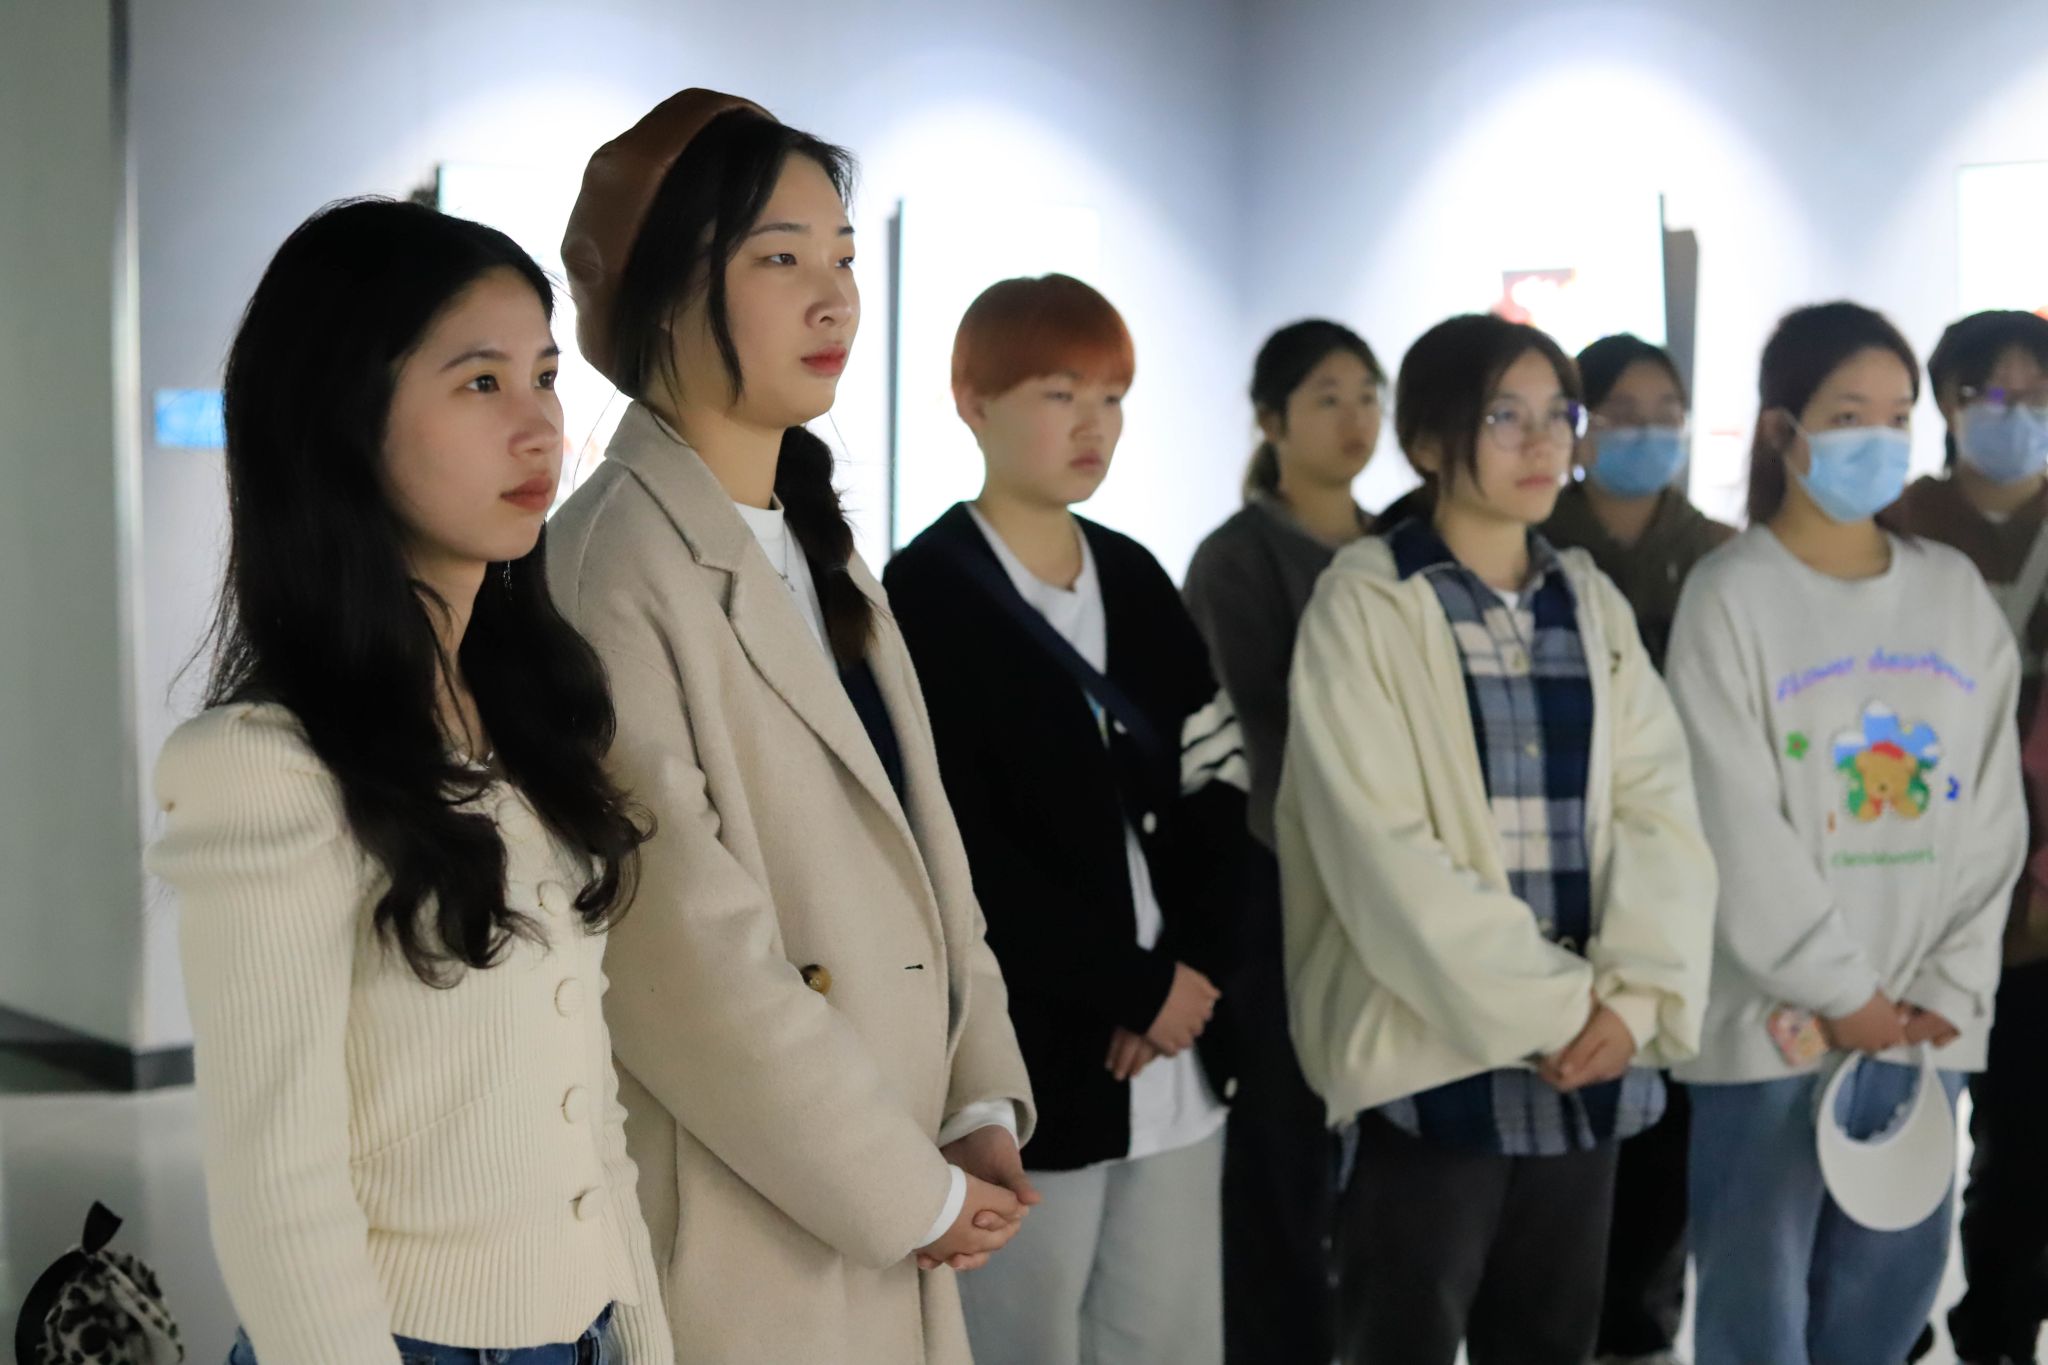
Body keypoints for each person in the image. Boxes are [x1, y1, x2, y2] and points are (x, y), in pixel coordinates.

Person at [546, 90, 1036, 1364]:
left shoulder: (818, 548)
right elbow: (684, 961)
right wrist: (908, 1192)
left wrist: (978, 1097)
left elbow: (930, 864)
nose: (835, 301)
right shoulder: (607, 564)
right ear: (662, 288)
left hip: (890, 1172)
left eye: (843, 259)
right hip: (753, 1217)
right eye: (779, 260)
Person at [148, 198, 670, 1363]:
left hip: (582, 1332)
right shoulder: (267, 769)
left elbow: (588, 1116)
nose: (538, 427)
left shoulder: (530, 725)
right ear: (346, 418)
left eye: (544, 377)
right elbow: (278, 1190)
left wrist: (641, 1338)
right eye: (480, 383)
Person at [1278, 311, 1716, 1365]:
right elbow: (1381, 855)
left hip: (1588, 1072)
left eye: (1557, 416)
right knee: (1399, 1340)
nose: (1541, 442)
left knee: (1553, 1341)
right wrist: (1570, 1009)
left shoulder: (1589, 601)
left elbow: (1660, 811)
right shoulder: (1369, 605)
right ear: (1430, 442)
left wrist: (1632, 1001)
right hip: (1430, 1063)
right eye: (1503, 417)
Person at [885, 273, 1248, 1365]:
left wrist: (1188, 975)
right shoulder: (923, 594)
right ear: (972, 401)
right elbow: (960, 852)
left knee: (1167, 1336)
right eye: (1058, 394)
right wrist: (1132, 985)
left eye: (1111, 398)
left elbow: (1218, 785)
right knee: (1023, 1338)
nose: (1093, 425)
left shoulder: (1133, 576)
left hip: (1181, 1049)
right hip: (1034, 1064)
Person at [1666, 301, 2028, 1365]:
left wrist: (1949, 984)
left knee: (1886, 1302)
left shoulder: (1950, 594)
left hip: (1923, 1026)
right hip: (1774, 1027)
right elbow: (1729, 824)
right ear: (1782, 431)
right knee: (1757, 1305)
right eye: (1847, 414)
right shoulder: (1730, 596)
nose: (1879, 437)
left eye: (1897, 414)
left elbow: (1991, 809)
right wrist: (1843, 993)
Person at [1182, 318, 1383, 1364]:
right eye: (1326, 398)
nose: (1354, 419)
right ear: (1271, 419)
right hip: (1282, 889)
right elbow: (1253, 741)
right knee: (1282, 1158)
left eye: (1367, 395)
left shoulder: (1399, 548)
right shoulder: (1236, 560)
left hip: (1395, 891)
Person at [1536, 332, 1734, 1365]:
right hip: (1552, 867)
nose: (1648, 433)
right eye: (1623, 414)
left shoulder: (1719, 555)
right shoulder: (1537, 544)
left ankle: (1640, 1331)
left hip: (1678, 857)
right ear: (1581, 429)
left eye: (1667, 414)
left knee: (1665, 1131)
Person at [1885, 308, 2048, 1365]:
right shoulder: (1897, 528)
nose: (2013, 413)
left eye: (2034, 394)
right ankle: (1882, 1332)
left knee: (2026, 1151)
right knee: (1890, 1140)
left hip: (2040, 908)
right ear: (1944, 403)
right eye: (1988, 393)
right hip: (1911, 891)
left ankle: (1994, 1333)